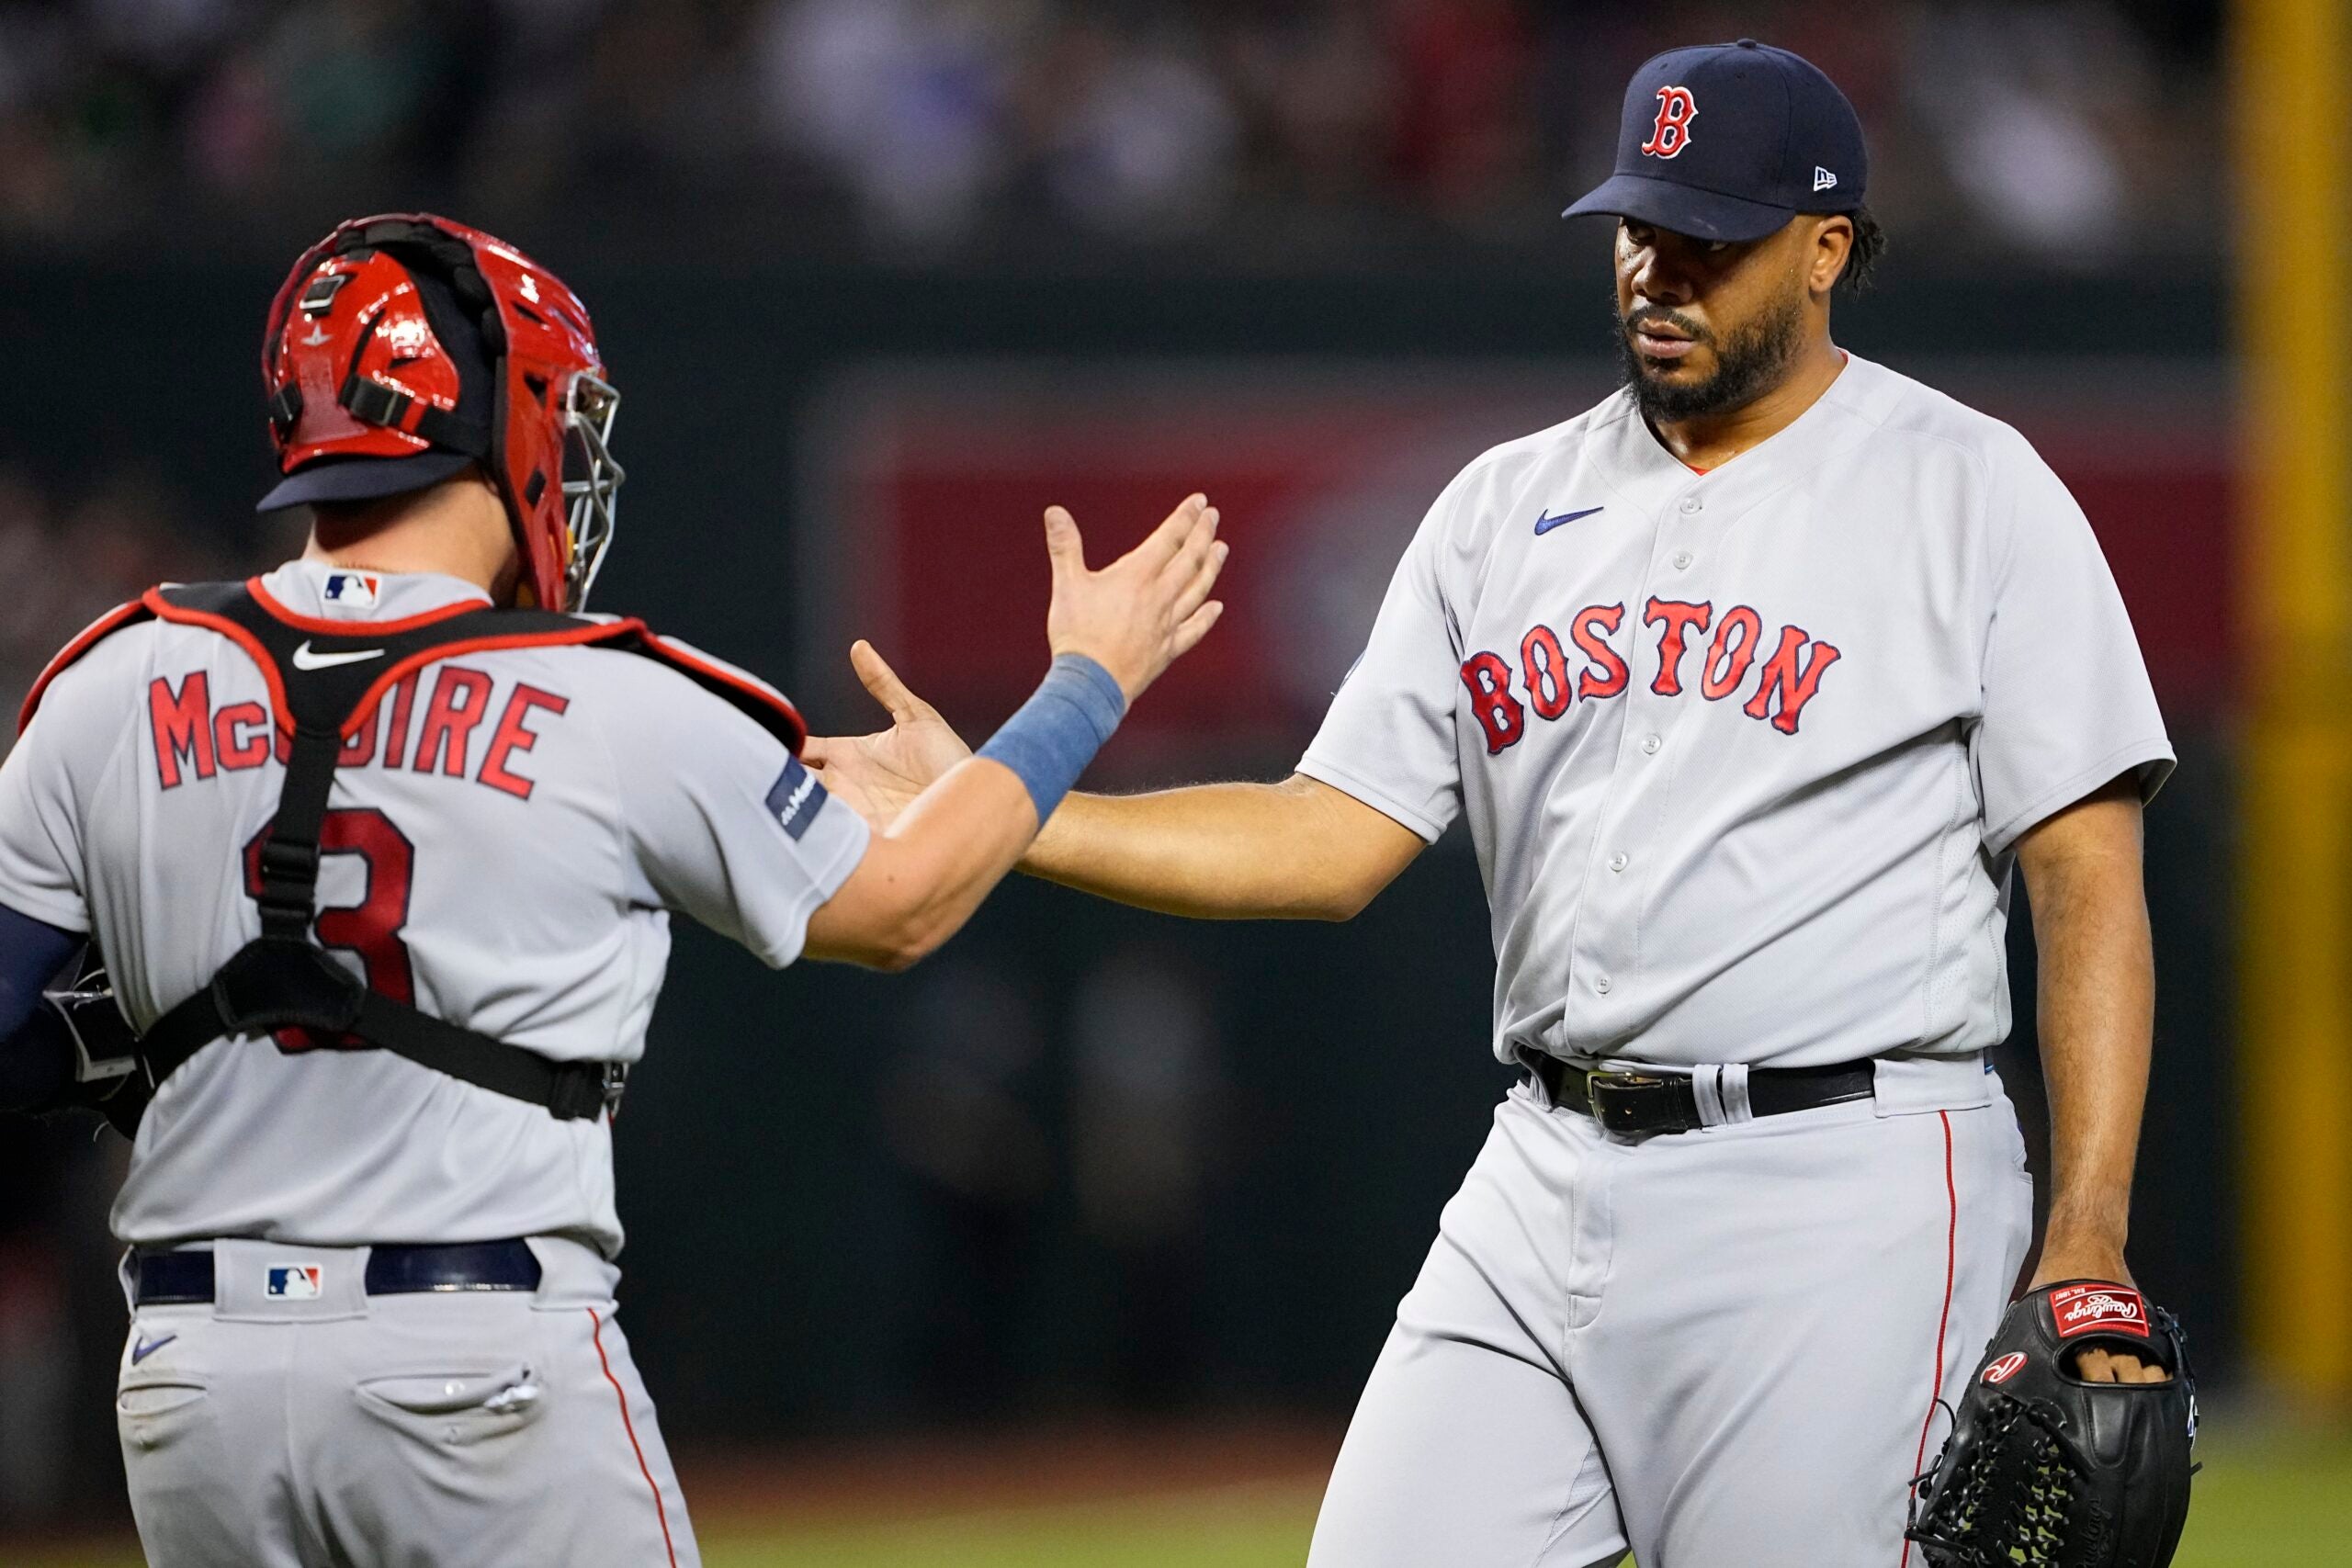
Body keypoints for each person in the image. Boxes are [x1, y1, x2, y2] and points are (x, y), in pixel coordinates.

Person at [808, 40, 2177, 1566]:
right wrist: (1009, 802)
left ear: (1829, 248)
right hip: (1543, 1171)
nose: (1659, 271)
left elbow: (2087, 889)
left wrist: (2088, 1238)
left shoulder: (1970, 490)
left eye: (1708, 239)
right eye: (1639, 229)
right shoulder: (1502, 509)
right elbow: (1327, 839)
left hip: (1841, 1184)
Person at [0, 211, 1224, 1568]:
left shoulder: (108, 680)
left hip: (191, 1380)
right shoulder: (608, 689)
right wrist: (1083, 686)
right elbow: (906, 903)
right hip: (477, 1361)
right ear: (496, 417)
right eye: (559, 412)